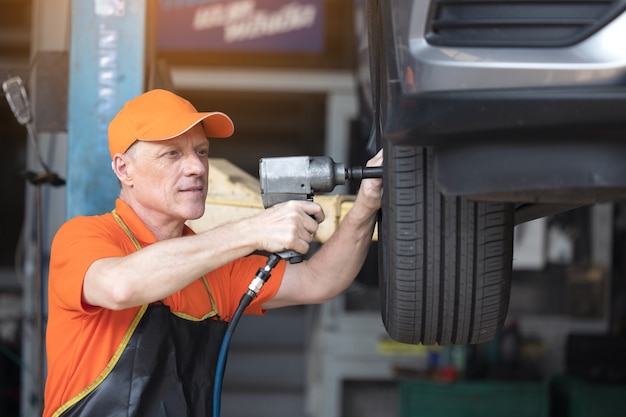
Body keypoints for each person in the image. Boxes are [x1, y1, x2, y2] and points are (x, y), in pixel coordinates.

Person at [42, 89, 383, 417]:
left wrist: (366, 205)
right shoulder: (85, 237)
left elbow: (318, 280)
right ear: (123, 169)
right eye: (172, 153)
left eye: (202, 152)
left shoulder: (212, 269)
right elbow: (121, 286)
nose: (197, 167)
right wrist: (252, 230)